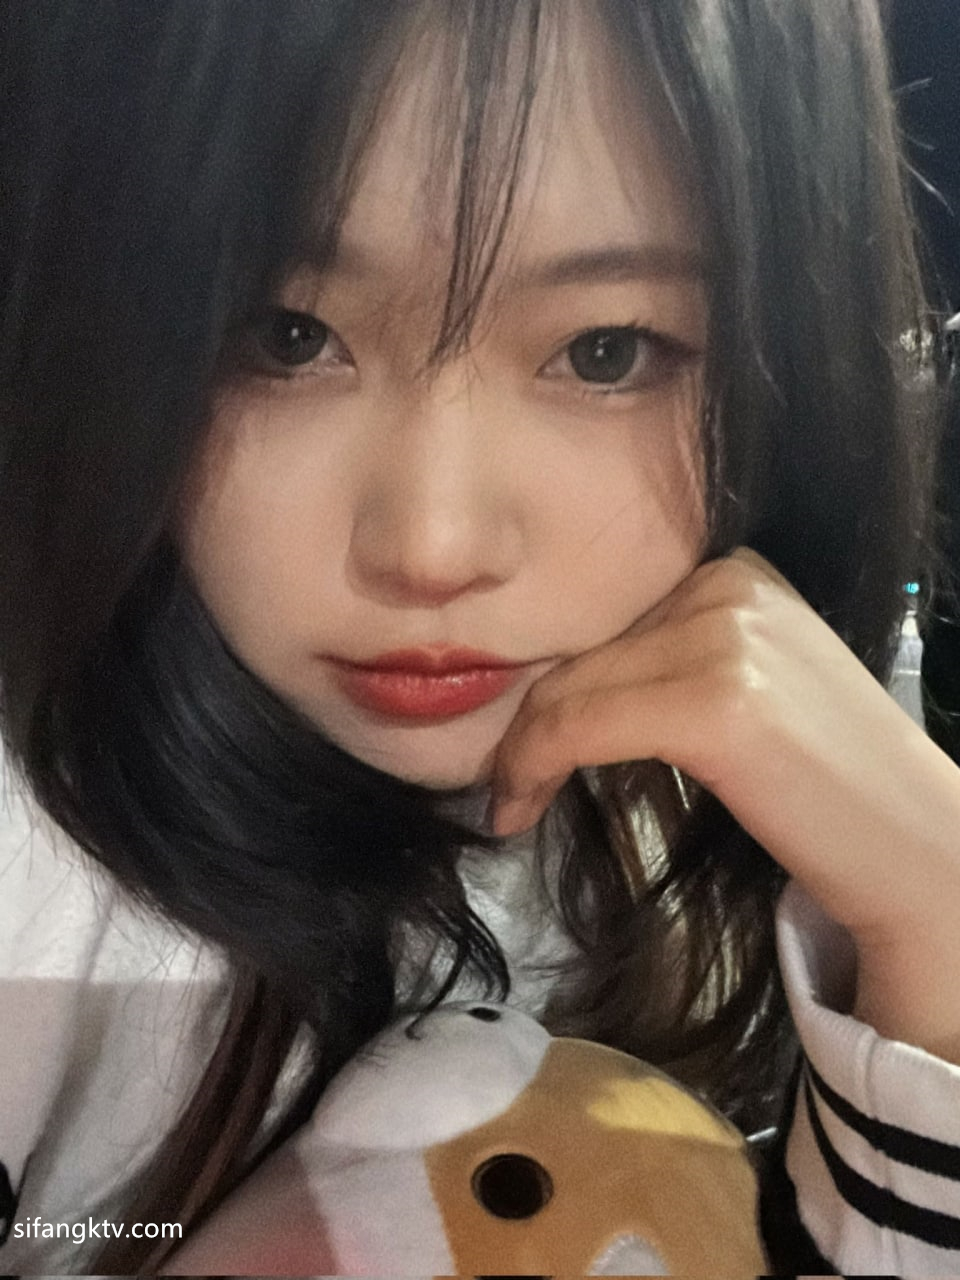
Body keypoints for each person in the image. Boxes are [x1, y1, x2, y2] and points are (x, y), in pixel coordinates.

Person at [1, 0, 960, 1273]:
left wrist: (936, 929)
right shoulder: (37, 900)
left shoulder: (725, 808)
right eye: (288, 336)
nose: (433, 545)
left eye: (605, 351)